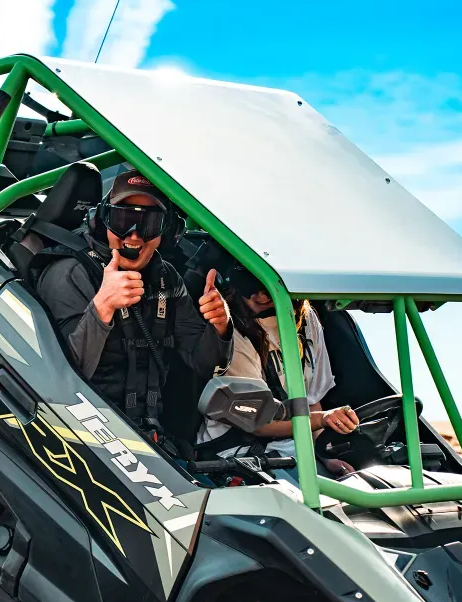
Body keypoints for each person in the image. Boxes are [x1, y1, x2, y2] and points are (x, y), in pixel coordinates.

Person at [35, 170, 233, 439]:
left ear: (167, 232)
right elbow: (59, 377)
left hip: (150, 436)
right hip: (82, 430)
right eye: (123, 220)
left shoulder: (166, 278)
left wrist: (220, 327)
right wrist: (102, 307)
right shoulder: (70, 274)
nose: (135, 236)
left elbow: (203, 364)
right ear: (101, 222)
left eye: (149, 223)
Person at [196, 261, 359, 477]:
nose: (261, 296)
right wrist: (322, 419)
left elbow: (311, 400)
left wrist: (324, 454)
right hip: (237, 454)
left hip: (295, 451)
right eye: (253, 285)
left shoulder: (306, 320)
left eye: (269, 289)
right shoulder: (230, 330)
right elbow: (260, 424)